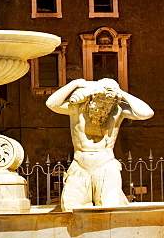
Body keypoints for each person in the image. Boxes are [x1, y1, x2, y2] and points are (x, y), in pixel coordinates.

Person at [46, 77, 154, 210]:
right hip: (80, 166)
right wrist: (75, 83)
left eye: (108, 104)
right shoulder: (77, 108)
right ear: (92, 97)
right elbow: (51, 103)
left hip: (106, 166)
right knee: (70, 208)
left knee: (110, 208)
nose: (104, 107)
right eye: (101, 101)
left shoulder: (118, 110)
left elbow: (147, 113)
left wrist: (120, 92)